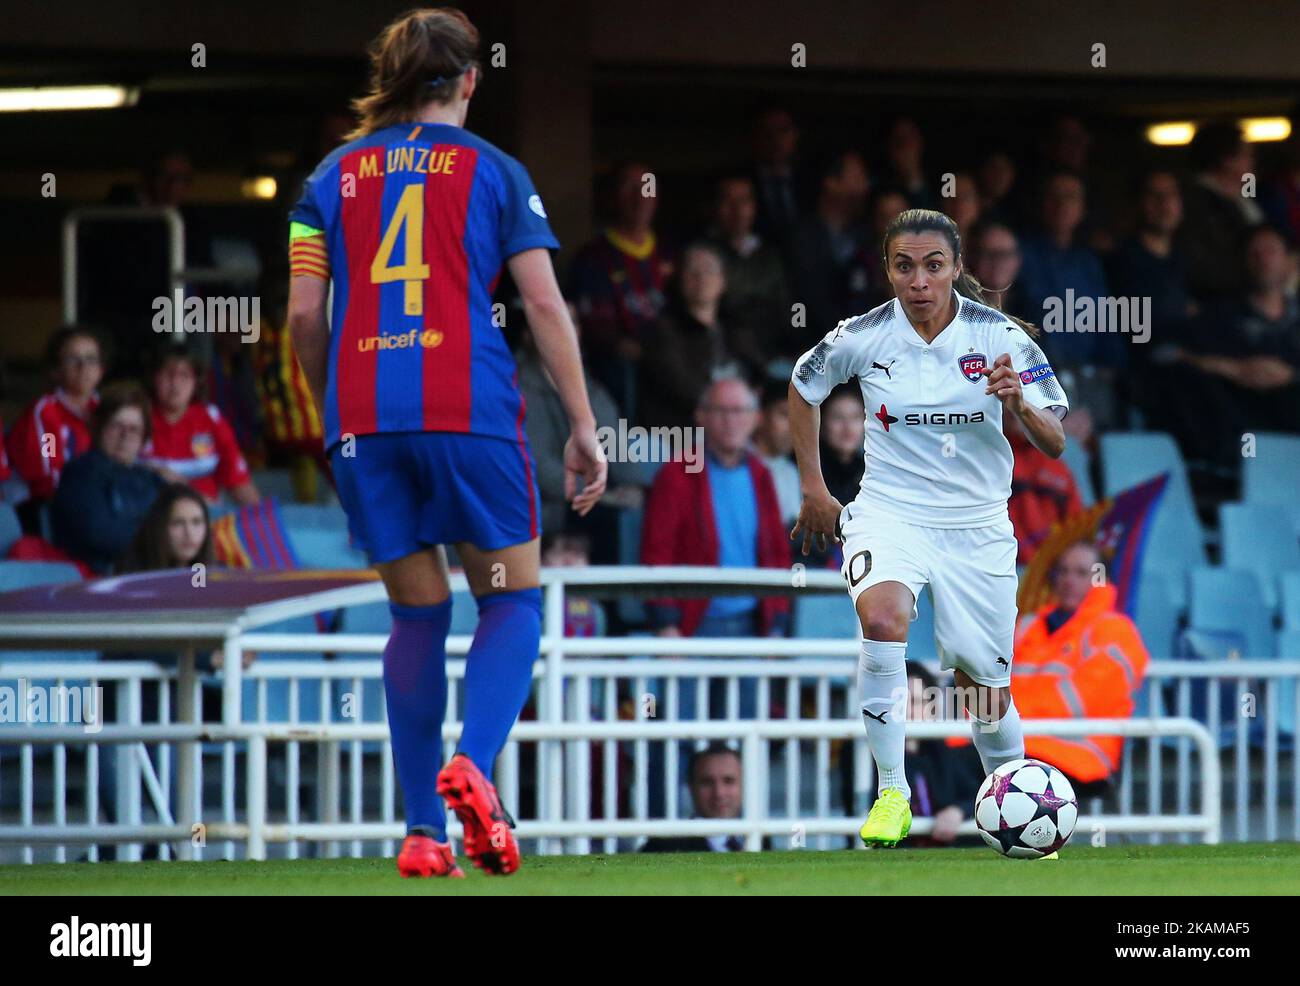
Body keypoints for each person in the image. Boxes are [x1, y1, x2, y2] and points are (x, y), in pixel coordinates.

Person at [288, 7, 606, 880]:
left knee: (416, 616)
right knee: (509, 602)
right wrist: (582, 424)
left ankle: (423, 832)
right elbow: (542, 305)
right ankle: (475, 764)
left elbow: (304, 315)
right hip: (467, 413)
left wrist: (336, 412)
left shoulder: (327, 178)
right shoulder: (497, 172)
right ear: (471, 79)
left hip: (365, 423)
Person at [788, 208, 1069, 850]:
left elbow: (1054, 443)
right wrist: (814, 488)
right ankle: (892, 792)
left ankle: (1015, 806)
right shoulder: (862, 335)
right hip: (890, 512)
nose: (919, 280)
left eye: (933, 266)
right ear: (888, 270)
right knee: (883, 620)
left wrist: (1018, 403)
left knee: (983, 691)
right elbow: (803, 387)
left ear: (957, 270)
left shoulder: (999, 338)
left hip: (976, 527)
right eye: (905, 266)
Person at [1013, 541, 1151, 787]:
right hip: (1018, 744)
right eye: (1063, 571)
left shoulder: (1115, 631)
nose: (1068, 580)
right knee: (935, 755)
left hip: (1076, 756)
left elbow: (1079, 699)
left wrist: (1005, 717)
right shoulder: (1026, 625)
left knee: (961, 769)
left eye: (1080, 573)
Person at [568, 160, 674, 415]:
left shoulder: (671, 253)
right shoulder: (593, 258)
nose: (640, 197)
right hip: (625, 369)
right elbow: (599, 331)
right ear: (612, 197)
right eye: (629, 187)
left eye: (647, 187)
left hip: (673, 362)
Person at [637, 242, 764, 430]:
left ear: (722, 281)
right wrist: (728, 408)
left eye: (709, 270)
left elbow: (758, 372)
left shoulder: (735, 326)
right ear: (680, 279)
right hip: (685, 430)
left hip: (741, 423)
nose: (702, 278)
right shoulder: (662, 329)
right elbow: (680, 387)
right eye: (693, 271)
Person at [50, 382, 166, 574]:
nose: (125, 436)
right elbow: (102, 535)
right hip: (98, 584)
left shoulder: (150, 478)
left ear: (144, 437)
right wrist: (161, 538)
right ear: (98, 427)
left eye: (134, 429)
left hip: (148, 575)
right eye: (116, 426)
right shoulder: (80, 473)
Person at [140, 344, 261, 506]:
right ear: (154, 377)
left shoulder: (211, 419)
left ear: (196, 382)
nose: (175, 383)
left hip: (204, 518)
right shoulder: (138, 416)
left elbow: (238, 482)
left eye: (184, 375)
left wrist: (261, 519)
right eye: (168, 374)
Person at [7, 326, 103, 527]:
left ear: (101, 369)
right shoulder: (45, 411)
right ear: (56, 371)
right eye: (72, 359)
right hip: (43, 506)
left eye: (91, 359)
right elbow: (46, 475)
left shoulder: (105, 409)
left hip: (92, 502)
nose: (83, 367)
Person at [708, 174, 794, 361]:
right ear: (714, 207)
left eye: (744, 200)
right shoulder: (705, 254)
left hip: (774, 353)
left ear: (754, 206)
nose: (737, 209)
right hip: (724, 354)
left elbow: (788, 308)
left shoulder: (771, 255)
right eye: (728, 201)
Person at [639, 743, 749, 853]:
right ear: (691, 787)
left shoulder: (762, 841)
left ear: (744, 785)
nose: (719, 792)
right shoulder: (662, 849)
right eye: (707, 782)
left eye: (728, 781)